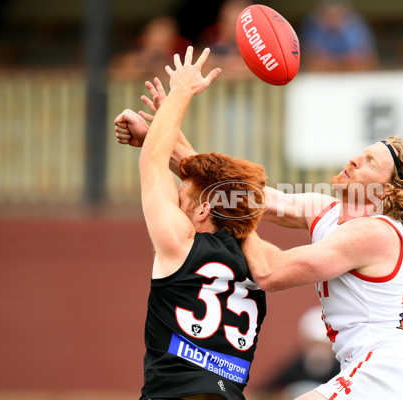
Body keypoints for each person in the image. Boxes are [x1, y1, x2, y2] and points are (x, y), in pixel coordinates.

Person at [114, 57, 403, 400]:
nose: (355, 159)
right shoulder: (324, 210)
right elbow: (236, 193)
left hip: (385, 372)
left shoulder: (377, 233)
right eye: (362, 152)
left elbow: (269, 272)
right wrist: (162, 136)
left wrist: (234, 218)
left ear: (389, 191)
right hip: (375, 371)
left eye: (371, 161)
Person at [117, 46, 268, 400]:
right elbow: (214, 185)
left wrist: (181, 92)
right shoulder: (254, 259)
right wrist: (165, 128)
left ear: (202, 213)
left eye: (181, 192)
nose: (175, 190)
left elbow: (152, 164)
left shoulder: (180, 245)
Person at [263, 306, 340, 399]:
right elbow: (265, 392)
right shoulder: (293, 368)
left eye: (325, 345)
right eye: (314, 344)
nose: (319, 351)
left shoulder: (343, 371)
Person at [299, 0, 379, 71]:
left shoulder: (357, 23)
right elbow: (310, 61)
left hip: (354, 81)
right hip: (320, 82)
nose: (333, 20)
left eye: (339, 14)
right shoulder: (312, 24)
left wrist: (331, 63)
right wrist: (344, 62)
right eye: (328, 15)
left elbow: (368, 60)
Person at [109, 16, 192, 80]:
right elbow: (116, 75)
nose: (158, 47)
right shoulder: (132, 59)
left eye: (163, 43)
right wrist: (144, 66)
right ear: (146, 38)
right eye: (156, 42)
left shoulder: (182, 61)